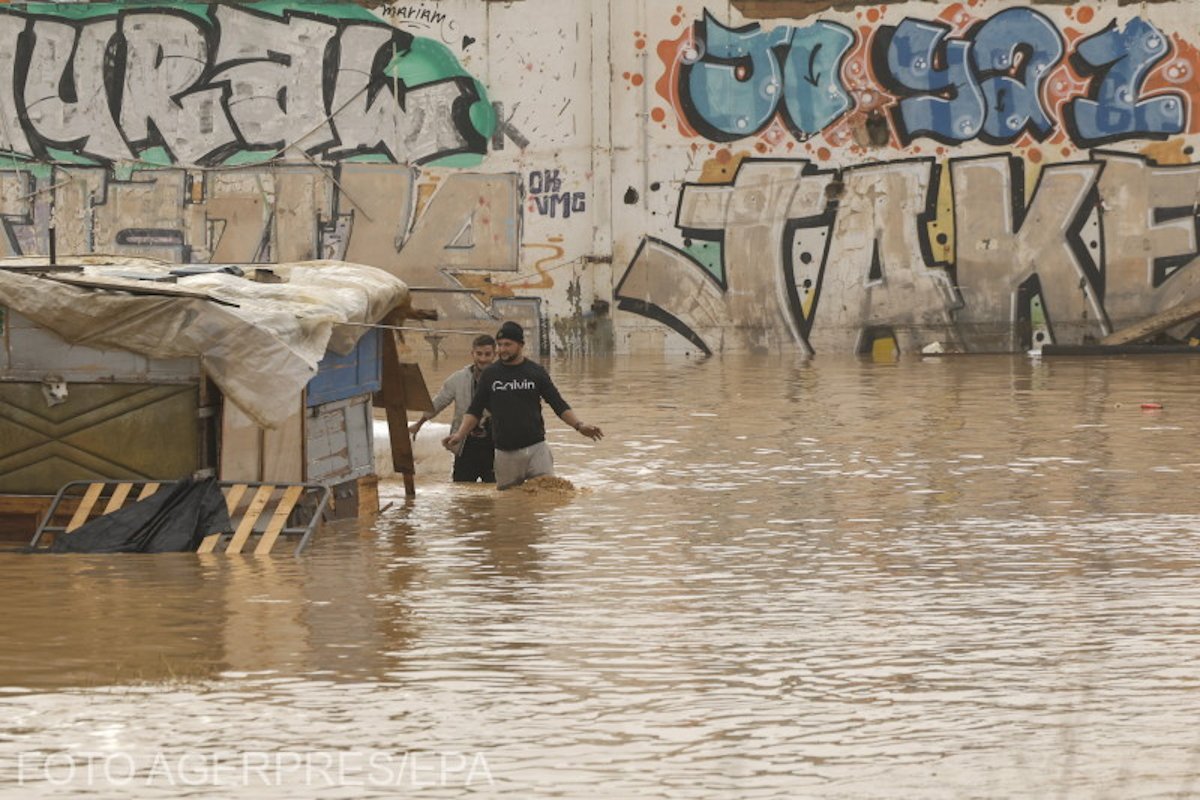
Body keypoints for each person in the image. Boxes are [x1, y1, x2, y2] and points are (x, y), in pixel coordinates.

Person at [444, 321, 602, 490]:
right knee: (509, 505)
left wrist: (579, 425)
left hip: (536, 448)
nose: (502, 349)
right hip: (505, 453)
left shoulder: (536, 372)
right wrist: (460, 435)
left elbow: (558, 404)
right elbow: (474, 411)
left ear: (521, 345)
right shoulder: (490, 375)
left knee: (547, 497)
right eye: (500, 345)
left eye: (507, 344)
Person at [409, 334, 497, 482]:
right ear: (472, 354)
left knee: (497, 492)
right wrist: (419, 424)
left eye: (487, 354)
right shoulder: (458, 378)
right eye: (479, 354)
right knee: (461, 492)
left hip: (495, 444)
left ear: (495, 355)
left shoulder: (504, 379)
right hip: (465, 444)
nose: (483, 359)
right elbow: (438, 403)